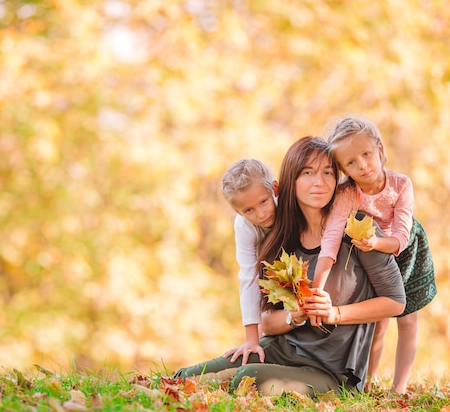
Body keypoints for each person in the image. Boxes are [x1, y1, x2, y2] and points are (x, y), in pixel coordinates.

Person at [174, 136, 406, 396]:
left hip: (332, 372)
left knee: (249, 377)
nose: (319, 182)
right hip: (281, 349)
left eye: (328, 172)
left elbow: (396, 302)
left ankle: (226, 382)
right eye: (308, 173)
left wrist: (335, 314)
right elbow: (269, 324)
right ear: (289, 181)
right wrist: (294, 316)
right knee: (186, 377)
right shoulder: (281, 238)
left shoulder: (358, 228)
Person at [313, 115, 436, 394]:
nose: (362, 166)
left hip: (404, 250)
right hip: (371, 256)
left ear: (379, 149)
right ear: (343, 169)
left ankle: (399, 388)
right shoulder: (348, 193)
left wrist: (375, 242)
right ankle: (367, 382)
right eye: (351, 163)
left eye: (366, 154)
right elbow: (331, 238)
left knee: (406, 318)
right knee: (378, 319)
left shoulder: (401, 185)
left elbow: (401, 237)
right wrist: (315, 288)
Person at [220, 159, 278, 365]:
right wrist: (251, 339)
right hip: (271, 285)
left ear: (275, 189)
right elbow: (249, 276)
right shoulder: (244, 226)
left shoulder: (289, 205)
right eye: (249, 210)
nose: (261, 214)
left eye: (263, 202)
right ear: (239, 212)